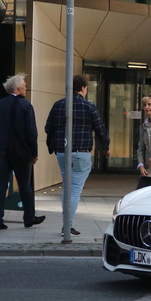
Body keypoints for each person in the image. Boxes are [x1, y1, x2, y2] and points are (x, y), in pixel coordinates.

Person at [45, 74, 110, 236]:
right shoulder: (89, 106)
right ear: (82, 88)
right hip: (81, 153)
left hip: (62, 152)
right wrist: (106, 147)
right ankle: (67, 226)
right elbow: (100, 129)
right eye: (86, 88)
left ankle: (67, 224)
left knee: (67, 188)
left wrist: (53, 147)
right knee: (74, 190)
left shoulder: (58, 105)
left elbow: (48, 128)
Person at [0, 74, 45, 230]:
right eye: (25, 85)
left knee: (1, 185)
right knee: (25, 185)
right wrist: (34, 153)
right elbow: (31, 132)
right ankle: (29, 217)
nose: (26, 87)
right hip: (20, 151)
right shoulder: (26, 105)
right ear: (19, 88)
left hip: (3, 150)